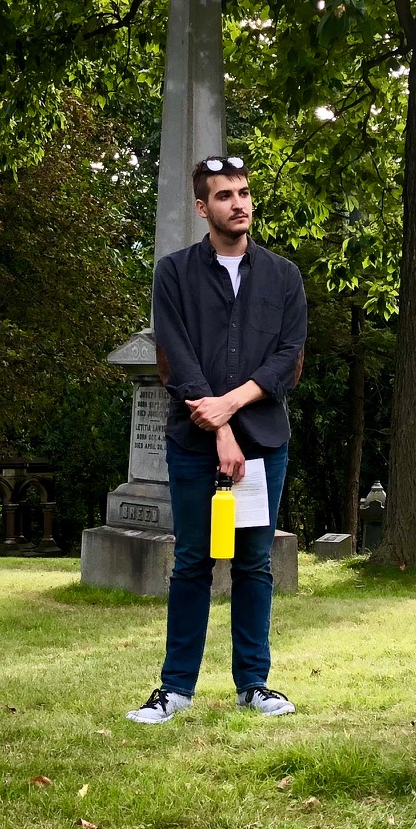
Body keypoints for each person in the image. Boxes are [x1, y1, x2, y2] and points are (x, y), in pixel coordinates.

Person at [127, 155, 307, 724]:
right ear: (203, 208)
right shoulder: (174, 274)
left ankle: (254, 684)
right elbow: (176, 356)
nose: (239, 203)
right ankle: (175, 689)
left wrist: (233, 406)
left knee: (255, 563)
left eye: (245, 193)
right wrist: (220, 426)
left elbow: (288, 357)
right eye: (225, 195)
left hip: (262, 442)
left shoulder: (283, 276)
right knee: (192, 561)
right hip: (194, 442)